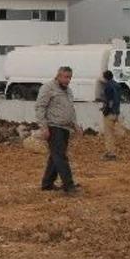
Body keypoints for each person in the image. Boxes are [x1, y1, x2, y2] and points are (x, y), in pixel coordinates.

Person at [35, 66, 82, 194]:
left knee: (55, 156)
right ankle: (69, 185)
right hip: (53, 127)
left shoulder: (68, 91)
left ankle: (47, 184)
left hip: (65, 128)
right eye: (66, 77)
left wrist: (75, 125)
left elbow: (70, 110)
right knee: (60, 156)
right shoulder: (48, 88)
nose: (68, 80)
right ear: (58, 76)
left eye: (70, 77)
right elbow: (40, 107)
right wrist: (43, 127)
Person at [100, 70, 121, 160]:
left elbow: (110, 100)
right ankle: (111, 151)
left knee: (108, 134)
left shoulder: (108, 86)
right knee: (112, 133)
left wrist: (106, 110)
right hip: (116, 112)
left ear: (105, 78)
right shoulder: (117, 85)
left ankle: (110, 153)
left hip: (110, 113)